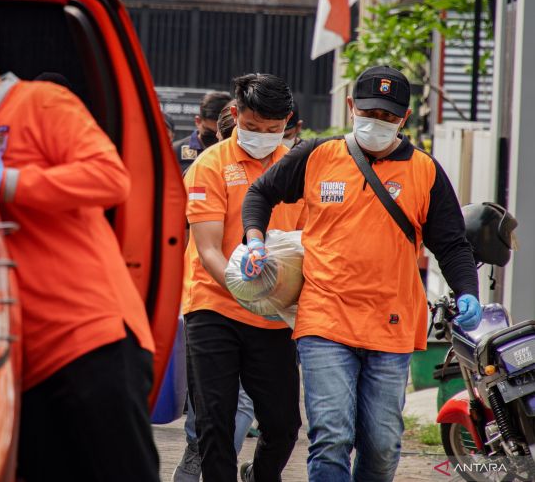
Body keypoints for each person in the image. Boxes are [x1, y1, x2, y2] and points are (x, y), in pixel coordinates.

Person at [241, 66, 481, 482]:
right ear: (352, 107)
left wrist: (467, 290)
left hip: (393, 324)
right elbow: (261, 192)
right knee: (331, 435)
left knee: (382, 444)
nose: (378, 122)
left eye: (388, 116)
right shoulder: (318, 155)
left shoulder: (425, 172)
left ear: (403, 118)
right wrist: (255, 239)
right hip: (325, 318)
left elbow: (452, 243)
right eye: (369, 111)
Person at [0, 13, 159, 482]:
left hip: (90, 341)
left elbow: (110, 177)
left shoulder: (40, 102)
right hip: (27, 360)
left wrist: (11, 182)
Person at [183, 73, 305, 482]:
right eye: (252, 127)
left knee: (284, 425)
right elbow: (209, 248)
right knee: (214, 422)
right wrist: (244, 286)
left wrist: (274, 295)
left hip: (273, 314)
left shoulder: (297, 168)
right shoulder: (210, 165)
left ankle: (260, 475)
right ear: (235, 114)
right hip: (213, 304)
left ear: (287, 122)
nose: (261, 136)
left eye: (272, 130)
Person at [172, 99, 255, 482]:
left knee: (237, 401)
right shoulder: (199, 166)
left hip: (262, 306)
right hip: (207, 298)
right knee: (210, 400)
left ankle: (208, 457)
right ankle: (201, 455)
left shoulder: (280, 169)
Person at [173, 91, 232, 173]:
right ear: (198, 121)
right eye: (210, 132)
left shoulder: (235, 153)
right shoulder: (175, 151)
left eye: (223, 133)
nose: (217, 136)